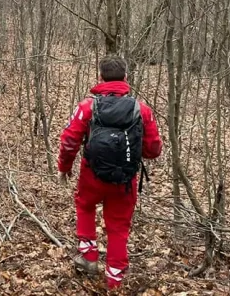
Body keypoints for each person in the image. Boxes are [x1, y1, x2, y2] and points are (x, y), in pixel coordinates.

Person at [58, 55, 162, 290]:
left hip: (91, 173)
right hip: (125, 179)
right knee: (118, 225)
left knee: (84, 205)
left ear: (100, 77)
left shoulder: (88, 107)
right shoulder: (141, 110)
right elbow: (154, 149)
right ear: (126, 78)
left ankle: (88, 256)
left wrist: (64, 168)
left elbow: (69, 141)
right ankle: (114, 279)